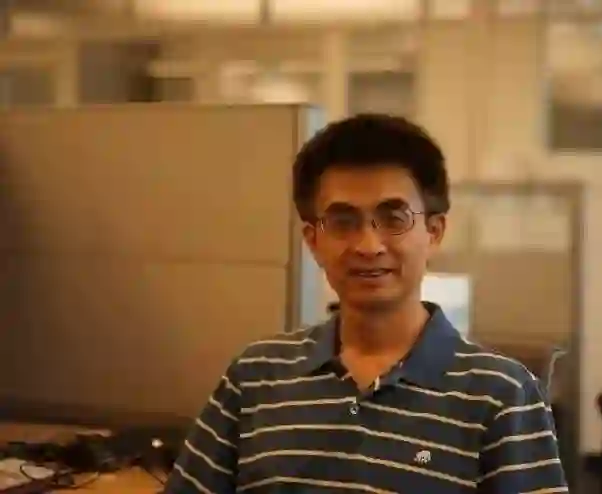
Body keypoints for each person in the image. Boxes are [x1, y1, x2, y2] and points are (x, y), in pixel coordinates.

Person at [163, 114, 568, 493]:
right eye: (343, 222)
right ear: (313, 241)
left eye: (394, 219)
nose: (369, 246)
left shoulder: (502, 394)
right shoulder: (256, 377)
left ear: (434, 232)